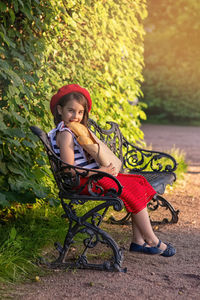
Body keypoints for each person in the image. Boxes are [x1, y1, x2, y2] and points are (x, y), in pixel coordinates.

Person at [48, 84, 176, 257]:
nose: (76, 117)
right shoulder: (65, 134)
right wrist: (102, 172)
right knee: (131, 189)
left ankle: (138, 241)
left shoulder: (75, 131)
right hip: (86, 182)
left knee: (139, 181)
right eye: (71, 111)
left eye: (80, 113)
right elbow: (70, 171)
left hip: (95, 177)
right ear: (60, 110)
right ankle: (152, 240)